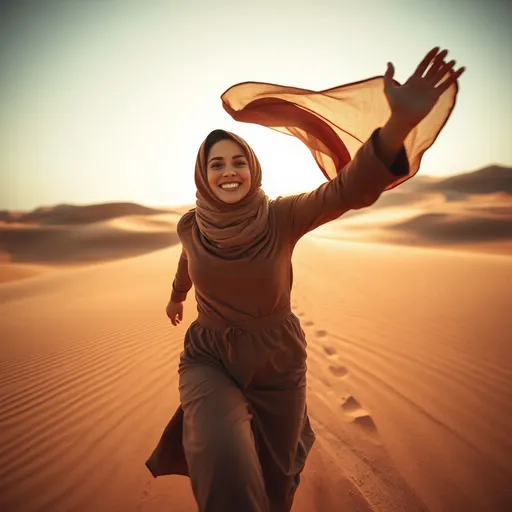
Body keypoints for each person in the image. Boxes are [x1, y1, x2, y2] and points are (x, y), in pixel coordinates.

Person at [145, 47, 465, 512]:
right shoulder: (190, 225)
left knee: (276, 482)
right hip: (208, 355)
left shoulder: (283, 217)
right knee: (222, 459)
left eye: (238, 161)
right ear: (203, 172)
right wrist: (177, 297)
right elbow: (186, 261)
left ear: (252, 168)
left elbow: (348, 189)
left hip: (277, 360)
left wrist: (397, 125)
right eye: (217, 163)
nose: (229, 171)